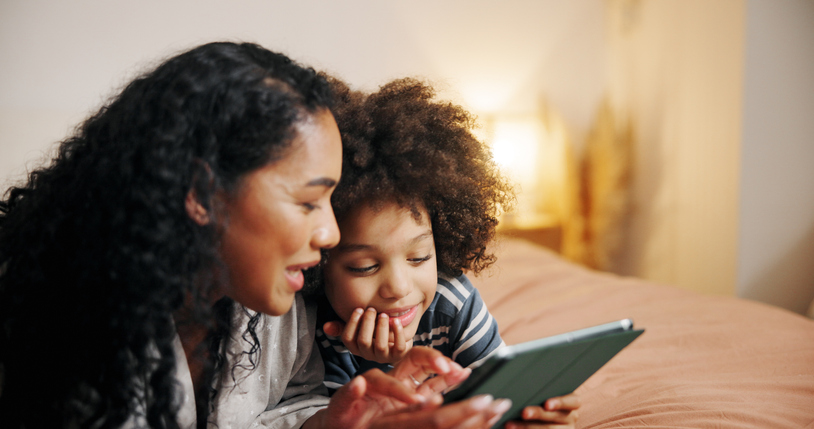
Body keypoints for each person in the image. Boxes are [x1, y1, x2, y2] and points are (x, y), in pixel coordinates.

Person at [0, 41, 511, 428]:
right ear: (201, 192)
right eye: (308, 201)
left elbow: (291, 407)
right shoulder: (58, 325)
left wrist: (345, 420)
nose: (329, 233)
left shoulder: (278, 313)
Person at [309, 78, 581, 428]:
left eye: (419, 257)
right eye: (365, 266)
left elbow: (500, 392)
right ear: (320, 262)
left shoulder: (454, 301)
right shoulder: (314, 328)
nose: (398, 286)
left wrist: (533, 413)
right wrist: (383, 365)